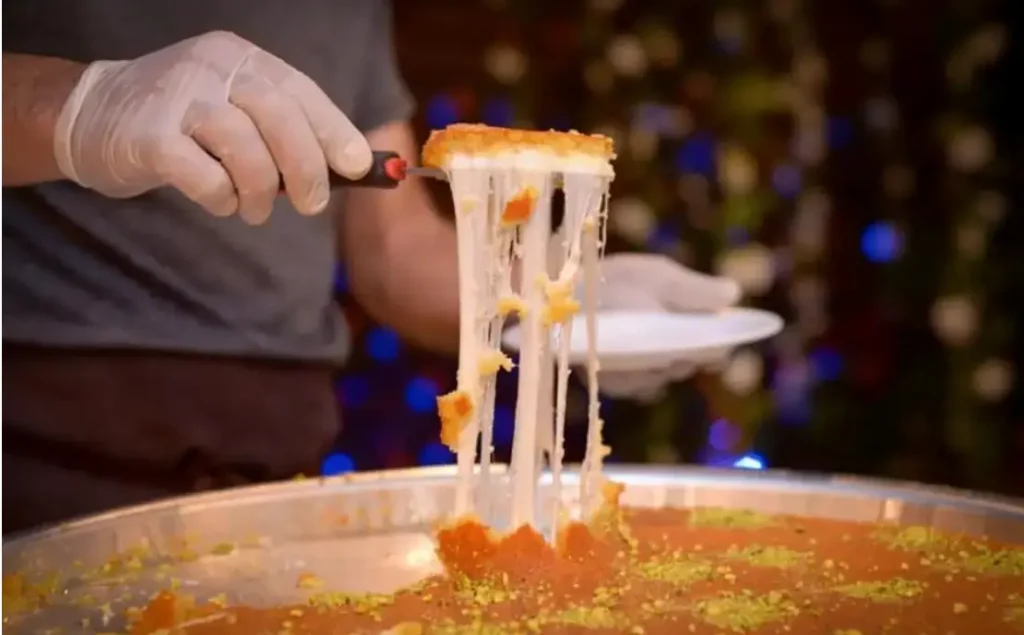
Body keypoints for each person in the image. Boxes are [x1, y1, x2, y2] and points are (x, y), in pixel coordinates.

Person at [1, 1, 740, 535]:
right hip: (41, 442)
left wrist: (558, 293)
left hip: (275, 458)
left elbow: (393, 248)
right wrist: (76, 105)